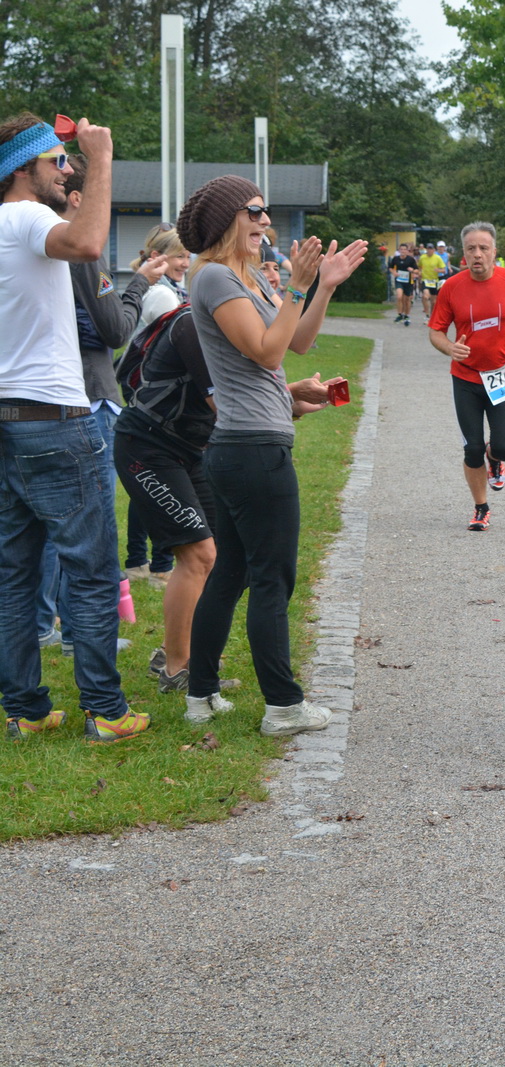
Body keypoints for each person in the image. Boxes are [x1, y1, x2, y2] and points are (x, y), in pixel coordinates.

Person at [180, 174, 368, 737]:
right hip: (252, 451)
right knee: (272, 579)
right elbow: (266, 353)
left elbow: (296, 342)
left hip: (249, 446)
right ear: (227, 219)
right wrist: (297, 285)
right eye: (255, 211)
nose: (266, 221)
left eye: (266, 211)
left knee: (233, 572)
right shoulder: (214, 276)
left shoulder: (244, 277)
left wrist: (322, 287)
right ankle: (283, 707)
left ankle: (201, 694)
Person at [0, 112, 150, 742]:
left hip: (8, 420)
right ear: (22, 169)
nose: (67, 172)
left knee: (15, 576)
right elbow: (89, 245)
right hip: (55, 420)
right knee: (89, 572)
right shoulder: (27, 217)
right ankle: (107, 712)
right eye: (57, 161)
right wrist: (102, 158)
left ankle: (26, 711)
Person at [114, 243, 251, 714]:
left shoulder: (222, 324)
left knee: (218, 555)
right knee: (198, 555)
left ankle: (190, 658)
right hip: (147, 447)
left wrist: (294, 396)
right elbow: (226, 403)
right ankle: (176, 668)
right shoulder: (194, 325)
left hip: (190, 448)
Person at [35, 156, 142, 657]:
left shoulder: (35, 241)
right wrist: (138, 287)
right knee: (88, 526)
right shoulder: (80, 248)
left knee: (41, 528)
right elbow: (115, 330)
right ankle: (80, 634)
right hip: (89, 398)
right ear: (76, 198)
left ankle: (43, 626)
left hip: (40, 400)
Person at [428, 222, 505, 529]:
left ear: (494, 251)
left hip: (501, 377)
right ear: (463, 253)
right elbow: (435, 331)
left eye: (483, 248)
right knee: (472, 448)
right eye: (471, 249)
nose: (477, 254)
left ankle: (496, 459)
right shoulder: (452, 287)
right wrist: (450, 348)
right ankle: (481, 508)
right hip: (466, 378)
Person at [123, 227, 191, 590]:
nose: (185, 263)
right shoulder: (163, 295)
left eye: (187, 256)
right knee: (160, 481)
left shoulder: (170, 290)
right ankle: (159, 564)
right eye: (179, 256)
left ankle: (141, 561)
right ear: (157, 257)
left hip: (150, 398)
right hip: (158, 402)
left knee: (146, 482)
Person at [388, 240, 418, 325]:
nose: (403, 251)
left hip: (408, 281)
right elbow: (390, 267)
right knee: (399, 296)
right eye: (401, 249)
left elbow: (417, 270)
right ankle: (400, 314)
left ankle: (407, 315)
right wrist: (394, 272)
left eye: (405, 249)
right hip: (399, 280)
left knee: (407, 300)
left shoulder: (411, 259)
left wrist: (412, 270)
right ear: (399, 250)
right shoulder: (396, 259)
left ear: (407, 251)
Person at [418, 242, 446, 320]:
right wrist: (420, 272)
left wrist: (438, 270)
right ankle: (427, 315)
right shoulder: (422, 257)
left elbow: (444, 270)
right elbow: (419, 266)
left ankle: (432, 316)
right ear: (426, 250)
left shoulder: (437, 258)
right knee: (425, 296)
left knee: (434, 301)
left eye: (431, 249)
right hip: (425, 280)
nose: (429, 251)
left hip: (434, 281)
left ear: (434, 250)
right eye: (428, 249)